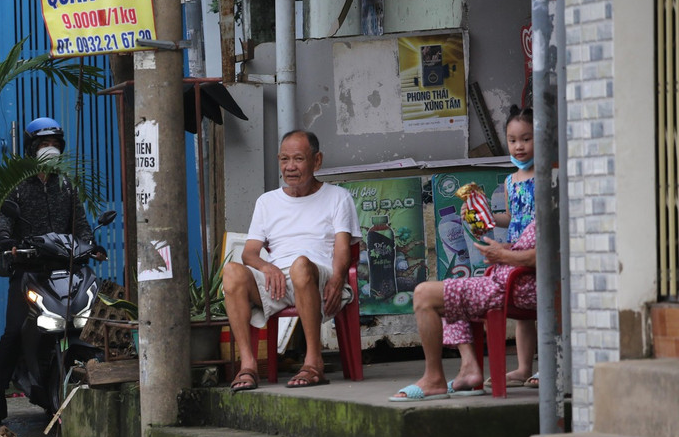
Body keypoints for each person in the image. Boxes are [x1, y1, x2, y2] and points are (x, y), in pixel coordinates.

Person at [223, 130, 363, 391]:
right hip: (276, 282)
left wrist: (338, 278)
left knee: (300, 264)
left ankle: (313, 362)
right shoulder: (267, 201)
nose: (290, 167)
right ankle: (248, 365)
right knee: (231, 271)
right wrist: (267, 267)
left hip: (316, 275)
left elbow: (344, 250)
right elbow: (250, 252)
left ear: (317, 161)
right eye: (284, 159)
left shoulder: (337, 197)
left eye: (298, 159)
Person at [0, 117, 103, 425]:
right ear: (31, 149)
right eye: (44, 145)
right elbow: (3, 224)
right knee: (12, 333)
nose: (50, 150)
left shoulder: (66, 185)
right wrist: (7, 242)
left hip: (64, 270)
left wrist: (91, 244)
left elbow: (80, 225)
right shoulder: (17, 187)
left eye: (54, 145)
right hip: (30, 271)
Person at [388, 221, 537, 401]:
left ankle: (434, 379)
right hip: (505, 284)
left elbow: (545, 255)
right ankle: (468, 368)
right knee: (448, 294)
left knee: (424, 294)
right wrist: (506, 249)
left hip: (515, 289)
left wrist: (503, 255)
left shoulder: (561, 210)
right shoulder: (555, 206)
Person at [486, 105, 539, 389]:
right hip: (516, 252)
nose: (519, 146)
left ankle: (551, 365)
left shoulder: (544, 175)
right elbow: (512, 217)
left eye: (526, 138)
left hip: (537, 253)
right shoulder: (510, 180)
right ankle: (523, 367)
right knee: (523, 315)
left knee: (547, 308)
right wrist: (486, 218)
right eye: (513, 140)